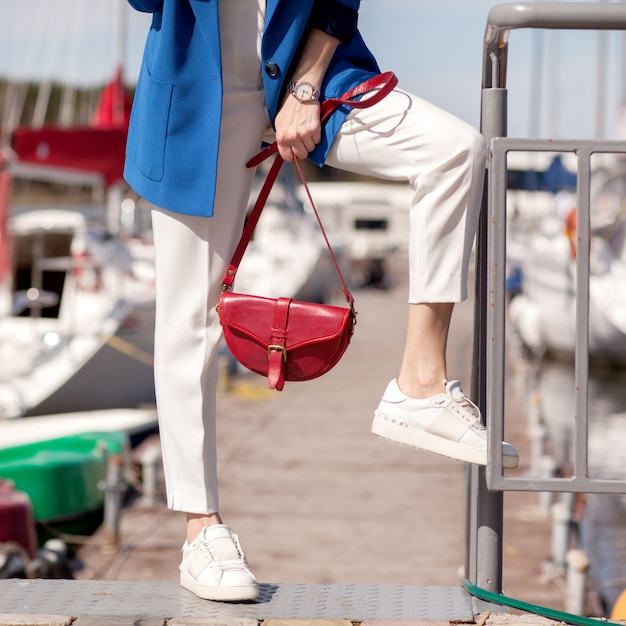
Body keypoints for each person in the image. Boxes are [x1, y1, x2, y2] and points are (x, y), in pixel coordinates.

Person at [124, 0, 520, 603]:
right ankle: (200, 529)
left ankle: (420, 384)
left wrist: (306, 88)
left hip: (312, 74)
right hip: (195, 93)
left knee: (453, 150)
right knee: (188, 318)